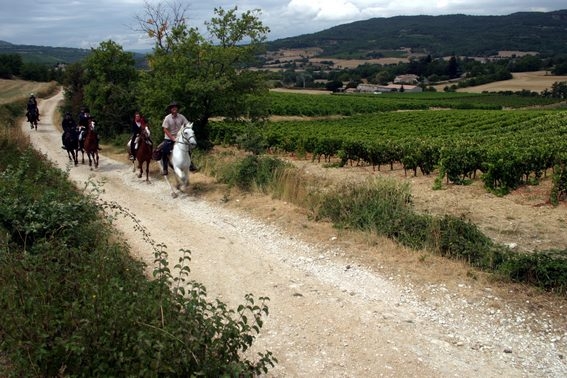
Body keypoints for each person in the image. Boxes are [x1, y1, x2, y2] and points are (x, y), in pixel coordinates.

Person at [160, 101, 197, 175]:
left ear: (177, 109)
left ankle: (190, 164)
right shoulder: (167, 118)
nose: (174, 108)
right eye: (173, 107)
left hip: (180, 137)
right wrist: (172, 138)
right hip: (169, 138)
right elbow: (165, 129)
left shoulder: (181, 117)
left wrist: (189, 128)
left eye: (176, 107)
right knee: (164, 150)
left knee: (187, 148)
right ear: (171, 109)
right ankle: (165, 168)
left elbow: (187, 124)